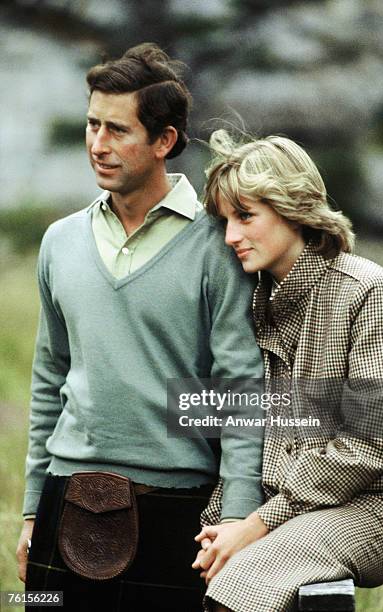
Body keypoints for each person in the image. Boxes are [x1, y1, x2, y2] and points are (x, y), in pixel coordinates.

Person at [16, 47, 265, 611]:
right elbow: (50, 375)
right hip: (64, 494)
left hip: (179, 503)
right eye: (92, 124)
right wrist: (33, 508)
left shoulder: (217, 245)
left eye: (117, 130)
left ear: (164, 141)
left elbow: (243, 387)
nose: (98, 144)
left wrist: (234, 514)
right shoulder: (59, 241)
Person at [192, 129, 383, 612]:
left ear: (292, 208)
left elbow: (368, 444)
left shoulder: (367, 292)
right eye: (226, 220)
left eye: (246, 216)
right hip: (280, 505)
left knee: (243, 580)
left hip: (373, 508)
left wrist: (256, 524)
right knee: (179, 559)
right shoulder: (256, 297)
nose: (231, 236)